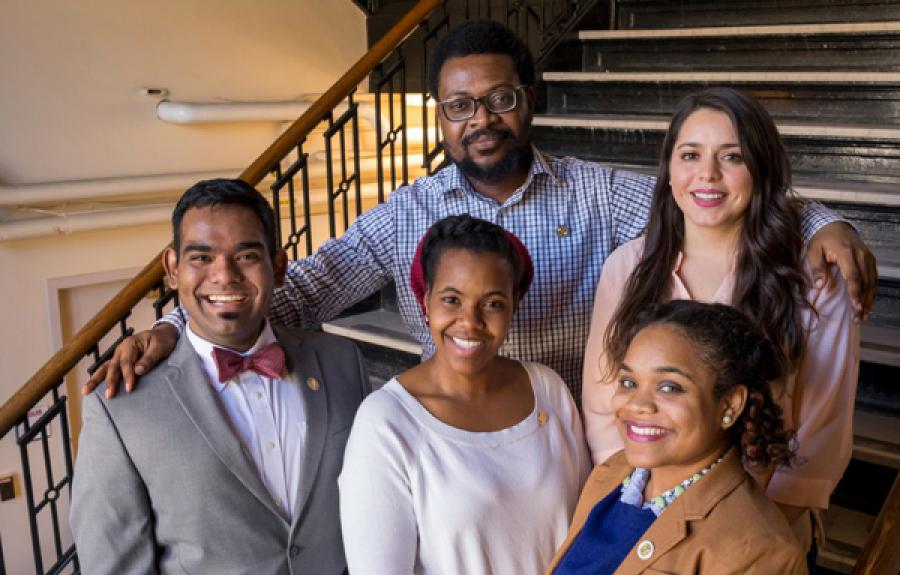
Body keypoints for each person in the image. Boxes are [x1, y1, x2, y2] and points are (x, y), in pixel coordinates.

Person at [85, 20, 875, 403]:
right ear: (440, 117)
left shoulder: (595, 192)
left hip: (586, 427)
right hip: (464, 421)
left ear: (527, 102)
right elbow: (299, 291)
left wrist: (824, 221)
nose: (481, 119)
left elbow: (710, 196)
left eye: (499, 99)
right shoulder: (406, 214)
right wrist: (172, 329)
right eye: (459, 106)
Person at [581, 88, 860, 559]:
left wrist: (745, 528)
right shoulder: (626, 268)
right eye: (690, 155)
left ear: (761, 170)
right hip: (644, 521)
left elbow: (822, 427)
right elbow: (603, 402)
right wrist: (643, 511)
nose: (707, 174)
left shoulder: (813, 279)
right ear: (670, 170)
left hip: (762, 528)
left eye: (732, 156)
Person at [70, 179, 369, 575]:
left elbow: (369, 517)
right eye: (201, 257)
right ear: (173, 269)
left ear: (278, 266)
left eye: (246, 256)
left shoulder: (341, 362)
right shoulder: (121, 408)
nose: (224, 275)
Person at [337, 215, 590, 575]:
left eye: (492, 303)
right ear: (426, 301)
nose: (469, 322)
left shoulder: (548, 388)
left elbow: (582, 529)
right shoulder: (387, 421)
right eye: (452, 299)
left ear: (513, 306)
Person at [541, 301, 809, 575]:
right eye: (629, 382)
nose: (638, 405)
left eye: (669, 387)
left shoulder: (760, 553)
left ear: (730, 405)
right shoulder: (611, 475)